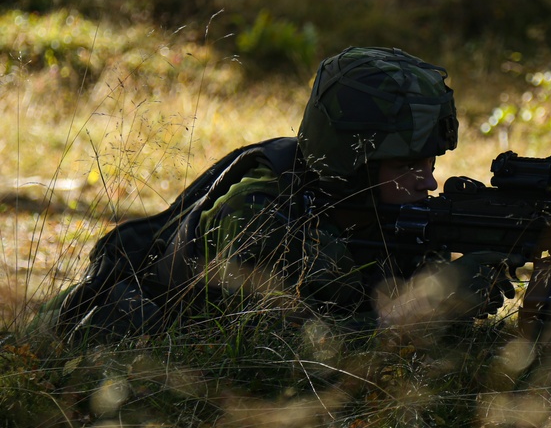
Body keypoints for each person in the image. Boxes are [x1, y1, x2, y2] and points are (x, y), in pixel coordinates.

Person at [44, 46, 517, 342]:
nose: (428, 182)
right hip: (101, 345)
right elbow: (272, 351)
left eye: (429, 164)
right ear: (351, 163)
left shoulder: (395, 215)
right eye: (406, 165)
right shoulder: (256, 215)